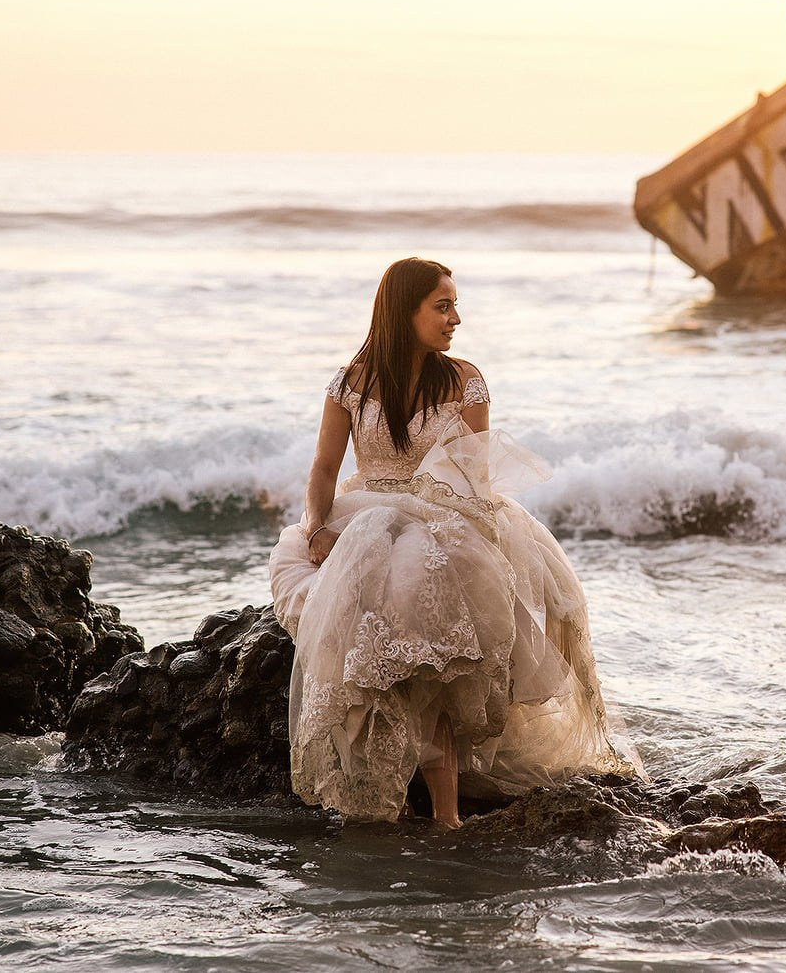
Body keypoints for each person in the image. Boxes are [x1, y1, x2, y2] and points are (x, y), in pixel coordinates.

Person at [267, 257, 634, 827]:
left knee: (440, 636)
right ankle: (372, 795)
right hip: (366, 517)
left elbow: (475, 477)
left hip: (445, 515)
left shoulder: (465, 381)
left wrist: (459, 528)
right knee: (373, 641)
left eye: (454, 305)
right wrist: (316, 528)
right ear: (403, 312)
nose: (455, 318)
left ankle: (447, 814)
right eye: (442, 306)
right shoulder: (350, 382)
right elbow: (322, 468)